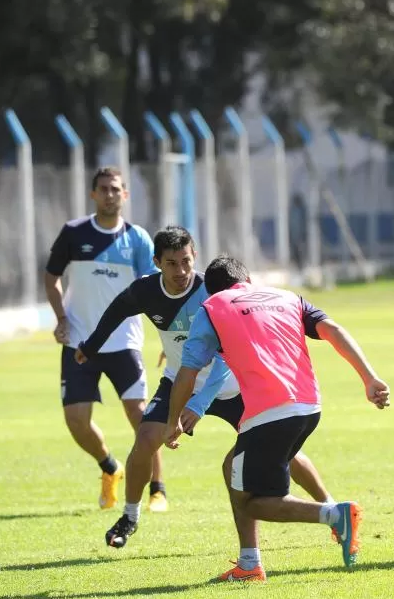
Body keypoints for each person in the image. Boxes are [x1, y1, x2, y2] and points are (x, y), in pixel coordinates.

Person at [72, 226, 335, 547]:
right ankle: (130, 516)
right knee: (144, 440)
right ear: (157, 262)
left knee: (285, 455)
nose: (181, 271)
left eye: (186, 261)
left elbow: (224, 359)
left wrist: (197, 406)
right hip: (177, 381)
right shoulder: (145, 292)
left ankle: (332, 509)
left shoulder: (212, 292)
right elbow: (117, 309)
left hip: (230, 386)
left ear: (194, 256)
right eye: (171, 263)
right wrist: (92, 344)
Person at [165, 256, 390, 582]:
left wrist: (173, 419)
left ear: (209, 291)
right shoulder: (285, 297)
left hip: (269, 413)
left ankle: (331, 515)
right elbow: (332, 330)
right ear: (248, 280)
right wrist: (369, 378)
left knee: (251, 502)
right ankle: (250, 561)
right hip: (309, 407)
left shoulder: (212, 308)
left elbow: (188, 372)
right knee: (233, 468)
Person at [44, 166, 158, 509]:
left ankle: (158, 491)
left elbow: (154, 291)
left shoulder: (138, 238)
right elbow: (51, 278)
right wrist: (61, 318)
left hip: (125, 341)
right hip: (79, 342)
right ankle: (110, 467)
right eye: (103, 189)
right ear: (93, 194)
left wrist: (168, 341)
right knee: (76, 421)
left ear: (126, 195)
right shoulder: (73, 233)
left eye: (116, 189)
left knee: (142, 417)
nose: (110, 194)